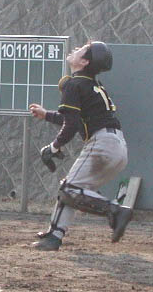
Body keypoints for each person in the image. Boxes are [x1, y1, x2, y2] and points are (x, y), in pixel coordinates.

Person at [28, 42, 133, 251]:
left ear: (84, 62)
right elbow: (73, 118)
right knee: (71, 188)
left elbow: (72, 124)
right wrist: (46, 115)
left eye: (82, 50)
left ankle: (116, 210)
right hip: (117, 146)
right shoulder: (90, 84)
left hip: (102, 144)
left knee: (69, 189)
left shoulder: (74, 83)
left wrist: (54, 147)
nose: (76, 49)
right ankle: (54, 235)